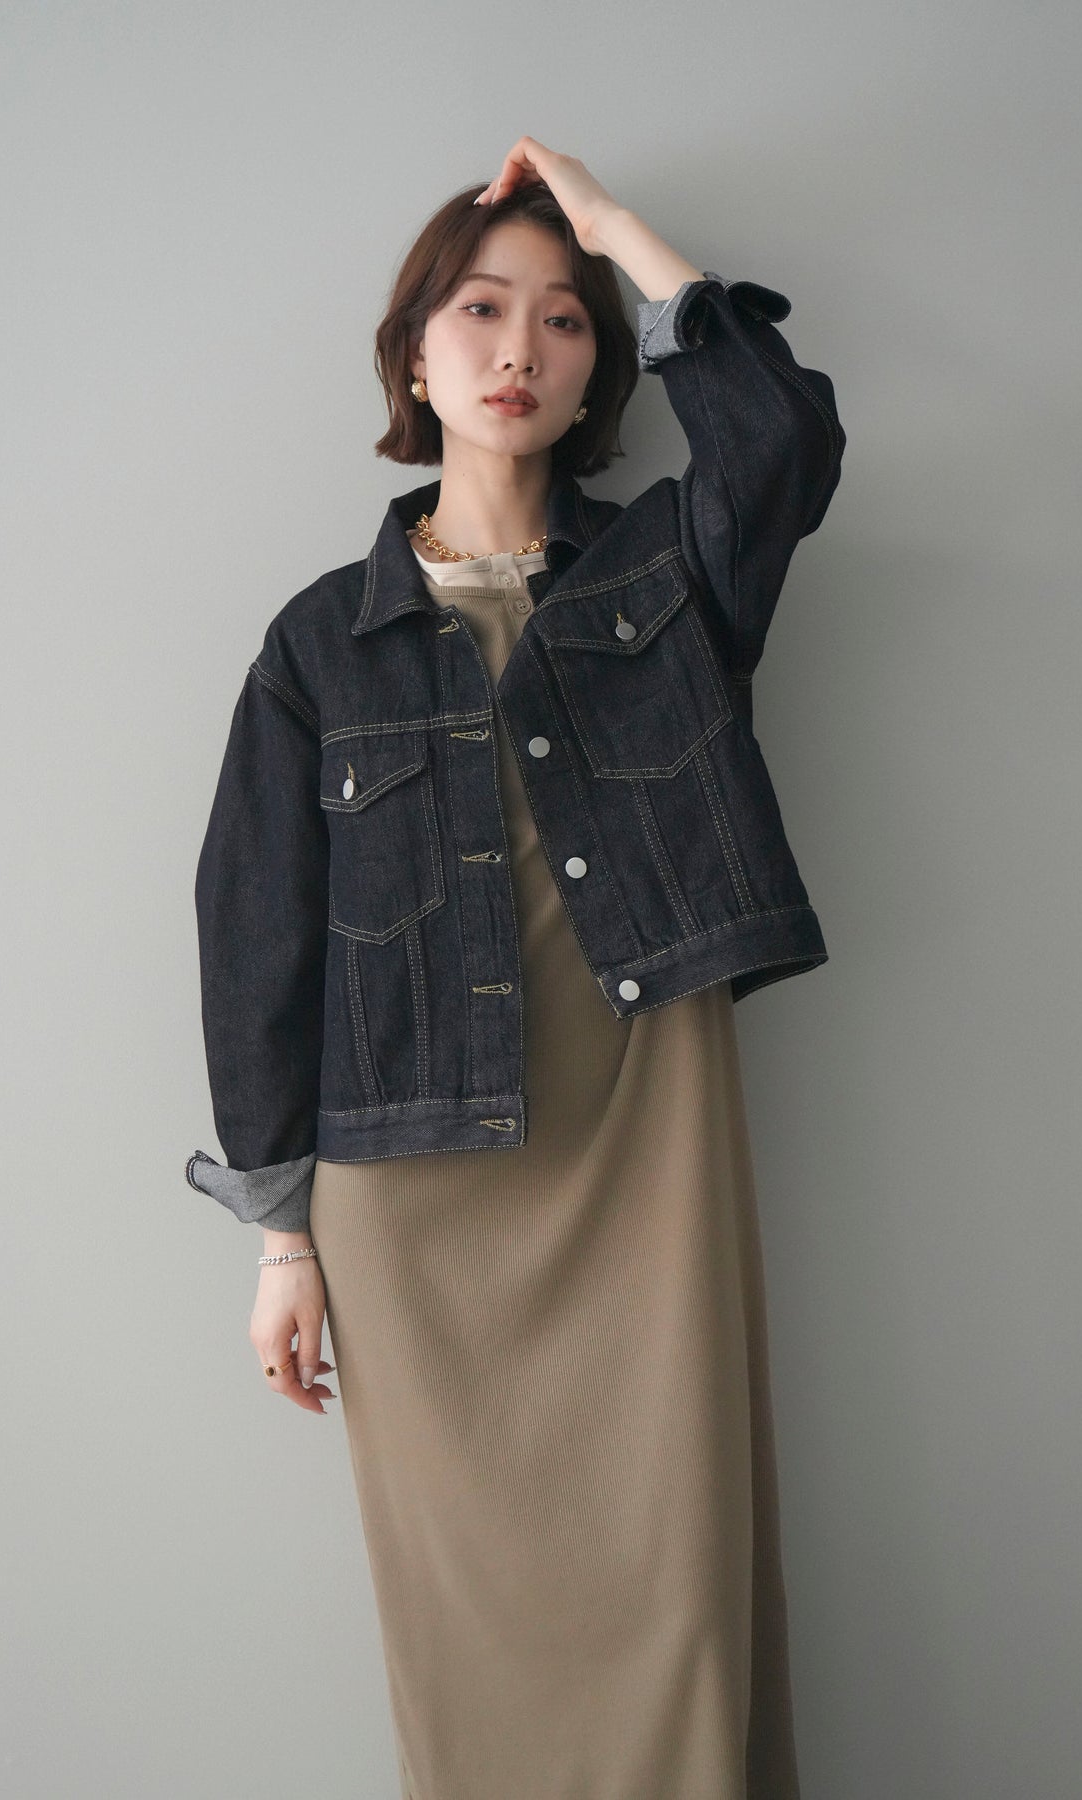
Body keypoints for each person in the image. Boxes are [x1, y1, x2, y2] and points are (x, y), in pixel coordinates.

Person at [186, 136, 845, 1799]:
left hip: (647, 1150)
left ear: (598, 369)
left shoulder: (667, 578)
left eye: (564, 319)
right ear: (414, 354)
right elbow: (255, 937)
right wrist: (280, 1239)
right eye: (479, 310)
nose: (519, 349)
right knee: (471, 1632)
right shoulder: (318, 643)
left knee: (678, 1600)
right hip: (412, 1190)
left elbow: (781, 441)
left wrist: (615, 228)